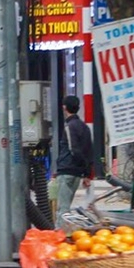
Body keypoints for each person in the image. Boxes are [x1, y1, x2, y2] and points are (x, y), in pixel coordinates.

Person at [52, 95, 94, 228]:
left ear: (64, 108)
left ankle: (61, 237)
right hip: (77, 174)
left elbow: (73, 150)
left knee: (62, 210)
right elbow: (89, 151)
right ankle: (66, 234)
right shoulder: (85, 128)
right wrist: (86, 173)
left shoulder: (69, 127)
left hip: (67, 170)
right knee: (66, 207)